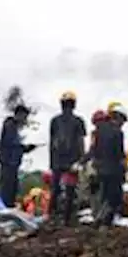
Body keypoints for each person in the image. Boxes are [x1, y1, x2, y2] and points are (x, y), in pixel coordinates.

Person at [83, 103, 128, 224]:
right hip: (114, 171)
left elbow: (93, 150)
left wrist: (84, 162)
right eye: (122, 120)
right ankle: (103, 220)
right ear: (117, 117)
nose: (122, 123)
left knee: (104, 196)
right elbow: (119, 154)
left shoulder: (99, 131)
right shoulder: (118, 133)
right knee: (115, 198)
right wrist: (126, 169)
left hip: (100, 169)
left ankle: (101, 219)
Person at [47, 90, 86, 223]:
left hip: (57, 161)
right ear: (74, 105)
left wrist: (51, 163)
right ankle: (67, 219)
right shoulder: (78, 121)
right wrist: (82, 160)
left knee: (55, 189)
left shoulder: (54, 121)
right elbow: (81, 142)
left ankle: (51, 216)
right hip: (71, 162)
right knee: (70, 191)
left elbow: (52, 143)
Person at [0, 103, 36, 209]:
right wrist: (25, 148)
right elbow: (12, 144)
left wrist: (25, 149)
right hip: (8, 162)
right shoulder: (10, 125)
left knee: (13, 188)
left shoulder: (13, 127)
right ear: (19, 114)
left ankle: (9, 207)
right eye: (25, 117)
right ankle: (6, 210)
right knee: (8, 189)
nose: (25, 120)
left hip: (12, 164)